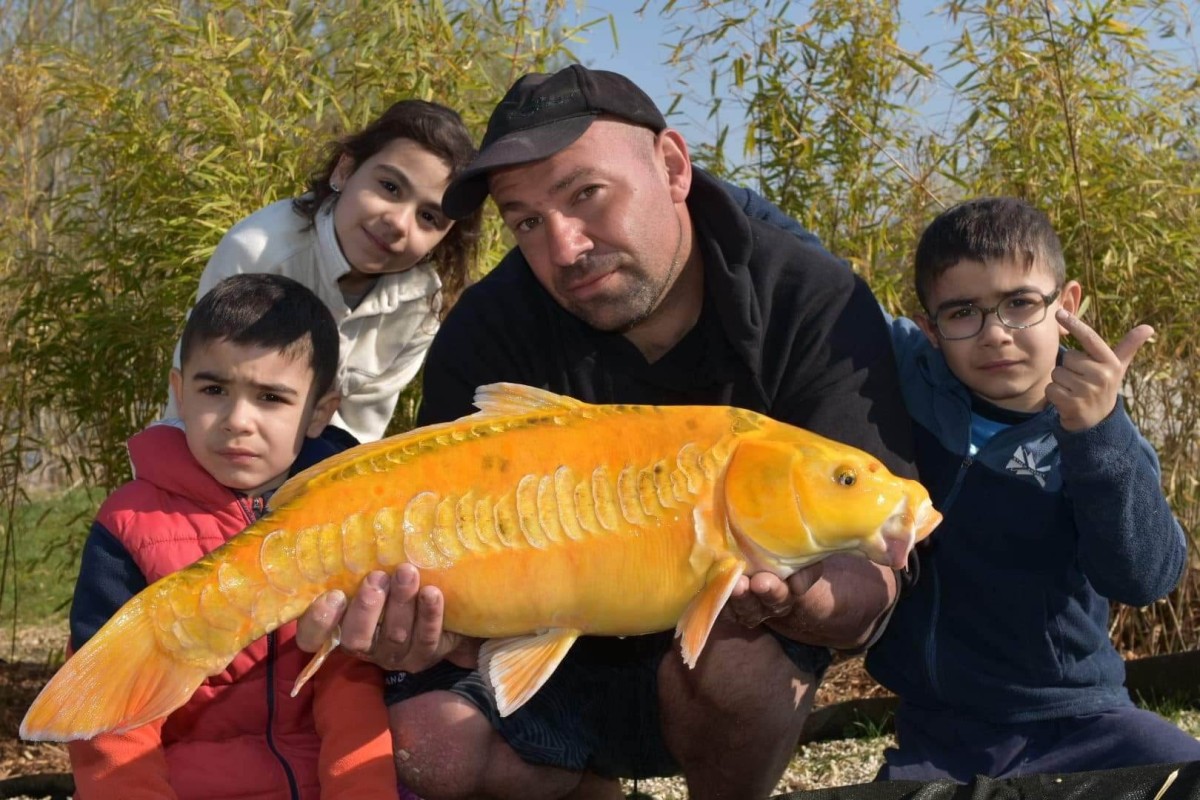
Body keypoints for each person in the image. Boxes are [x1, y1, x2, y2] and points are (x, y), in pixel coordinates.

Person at [296, 64, 917, 800]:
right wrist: (431, 622)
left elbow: (878, 575)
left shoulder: (811, 298)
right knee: (429, 744)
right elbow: (449, 586)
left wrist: (799, 598)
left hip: (723, 658)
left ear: (673, 167)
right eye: (525, 221)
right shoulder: (489, 329)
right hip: (554, 655)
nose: (563, 247)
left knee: (736, 658)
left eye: (585, 194)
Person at [864, 197, 1200, 781]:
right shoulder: (912, 383)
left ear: (1065, 305)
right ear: (930, 329)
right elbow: (812, 277)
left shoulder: (1102, 436)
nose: (995, 335)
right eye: (963, 313)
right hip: (940, 733)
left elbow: (1147, 578)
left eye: (1020, 303)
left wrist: (1098, 434)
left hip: (1084, 720)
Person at [68, 274, 400, 799]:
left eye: (271, 397)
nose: (237, 420)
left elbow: (351, 696)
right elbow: (112, 715)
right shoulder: (128, 526)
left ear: (319, 412)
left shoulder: (345, 520)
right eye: (214, 390)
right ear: (179, 392)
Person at [166, 99, 482, 442]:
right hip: (212, 450)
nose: (398, 223)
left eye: (429, 217)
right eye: (389, 187)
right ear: (344, 170)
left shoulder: (421, 305)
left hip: (320, 471)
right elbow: (196, 401)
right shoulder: (259, 252)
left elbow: (359, 434)